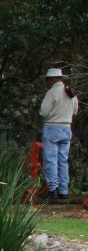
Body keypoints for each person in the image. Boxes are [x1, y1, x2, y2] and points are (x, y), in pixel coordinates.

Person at [40, 67, 79, 199]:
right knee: (63, 160)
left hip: (52, 127)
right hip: (66, 127)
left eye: (48, 79)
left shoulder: (52, 92)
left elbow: (43, 112)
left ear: (52, 79)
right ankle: (64, 190)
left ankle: (52, 189)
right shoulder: (70, 92)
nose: (47, 82)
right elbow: (75, 111)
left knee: (51, 159)